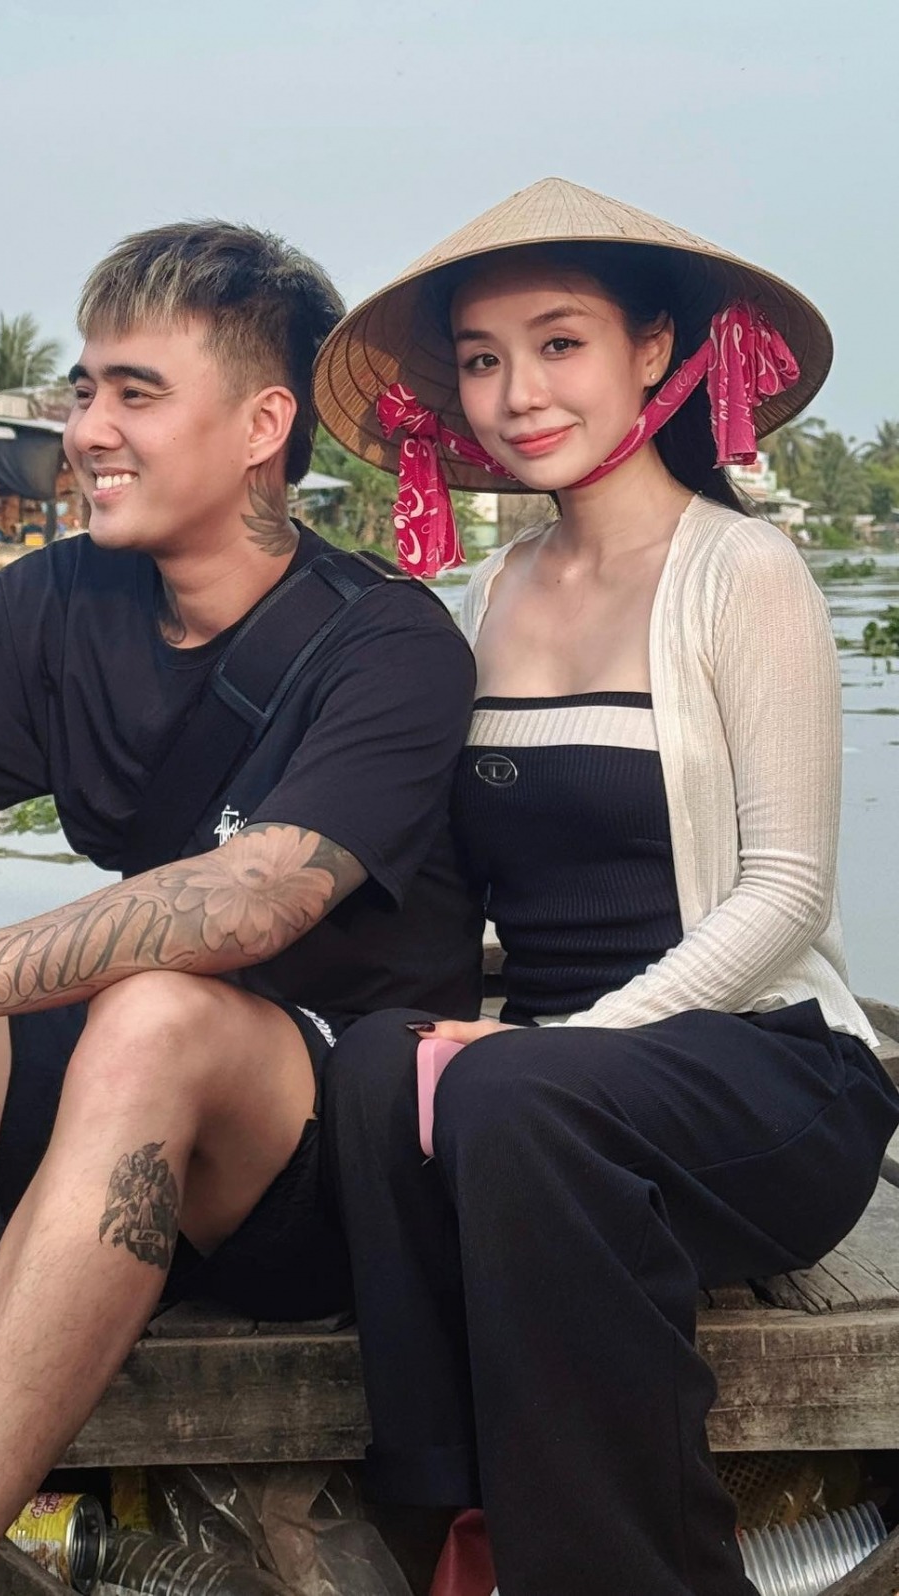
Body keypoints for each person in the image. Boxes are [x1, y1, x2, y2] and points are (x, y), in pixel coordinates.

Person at [0, 222, 483, 1596]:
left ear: (263, 426)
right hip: (113, 1124)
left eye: (136, 392)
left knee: (159, 1007)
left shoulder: (390, 643)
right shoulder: (59, 600)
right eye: (83, 389)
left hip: (327, 1176)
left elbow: (241, 907)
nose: (87, 430)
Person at [312, 177, 899, 1596]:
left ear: (654, 350)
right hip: (556, 1101)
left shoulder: (743, 572)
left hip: (763, 1072)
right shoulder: (493, 593)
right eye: (482, 358)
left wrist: (557, 1047)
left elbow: (784, 897)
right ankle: (453, 1529)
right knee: (377, 1067)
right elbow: (454, 896)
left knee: (509, 1096)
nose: (517, 393)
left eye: (560, 343)